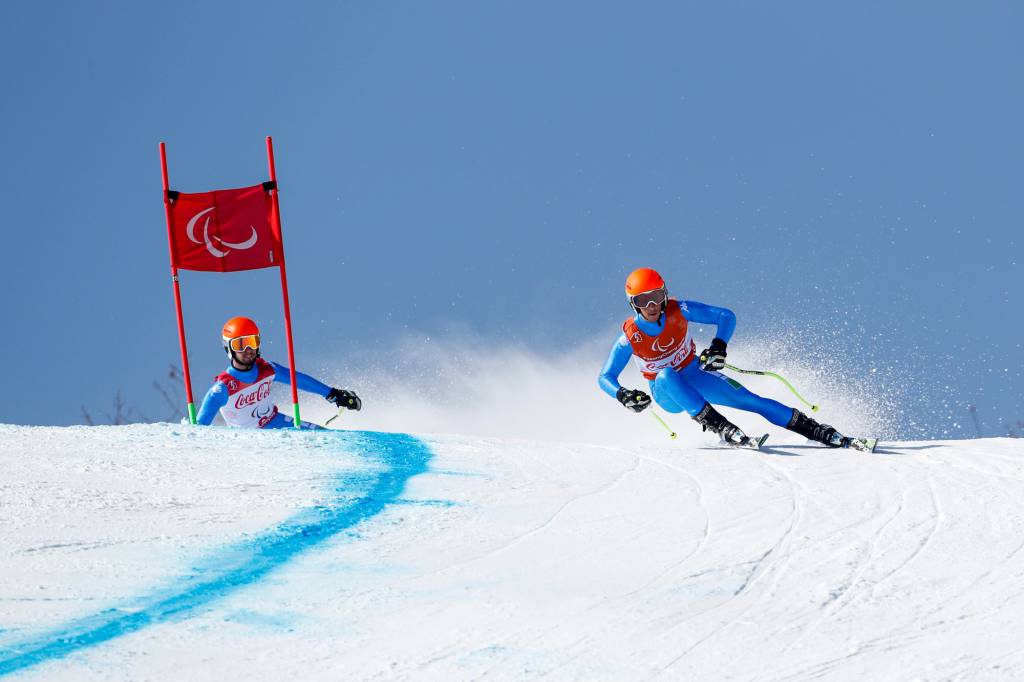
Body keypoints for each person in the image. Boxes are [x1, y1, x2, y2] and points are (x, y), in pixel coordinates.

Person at [598, 268, 854, 448]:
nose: (652, 305)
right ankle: (721, 427)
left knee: (750, 399)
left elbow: (725, 316)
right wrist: (623, 395)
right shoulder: (631, 336)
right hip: (667, 391)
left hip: (695, 374)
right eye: (644, 300)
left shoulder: (680, 310)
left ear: (664, 294)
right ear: (634, 304)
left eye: (656, 296)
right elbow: (605, 377)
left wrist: (719, 346)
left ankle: (818, 431)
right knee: (666, 373)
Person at [195, 316, 361, 429]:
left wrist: (333, 394)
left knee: (323, 438)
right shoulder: (222, 389)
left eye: (252, 342)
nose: (248, 350)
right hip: (247, 442)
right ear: (229, 348)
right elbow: (199, 431)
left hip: (277, 423)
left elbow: (298, 380)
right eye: (240, 345)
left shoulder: (267, 369)